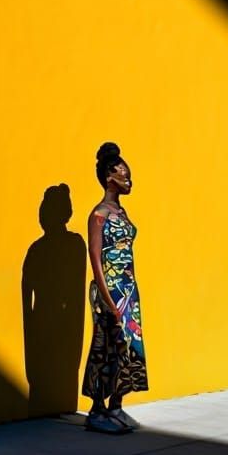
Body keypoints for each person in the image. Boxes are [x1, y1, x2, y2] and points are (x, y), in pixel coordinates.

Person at [81, 142, 148, 433]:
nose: (128, 180)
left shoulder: (120, 212)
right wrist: (108, 298)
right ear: (110, 176)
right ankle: (97, 410)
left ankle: (117, 405)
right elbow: (95, 256)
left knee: (129, 348)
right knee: (105, 346)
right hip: (109, 290)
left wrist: (128, 295)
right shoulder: (99, 213)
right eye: (124, 175)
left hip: (127, 290)